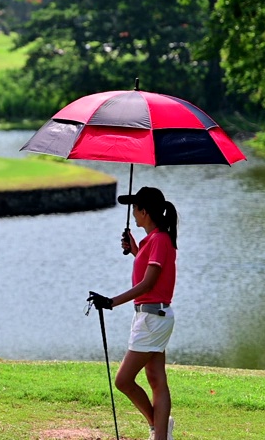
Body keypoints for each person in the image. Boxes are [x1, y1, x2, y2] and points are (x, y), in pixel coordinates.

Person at [88, 186, 179, 440]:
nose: (133, 213)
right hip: (152, 316)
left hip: (152, 318)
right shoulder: (154, 239)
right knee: (155, 378)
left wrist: (111, 302)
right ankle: (160, 431)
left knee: (124, 380)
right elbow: (151, 272)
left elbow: (149, 284)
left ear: (145, 211)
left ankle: (159, 430)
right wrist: (135, 250)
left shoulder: (160, 239)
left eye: (135, 209)